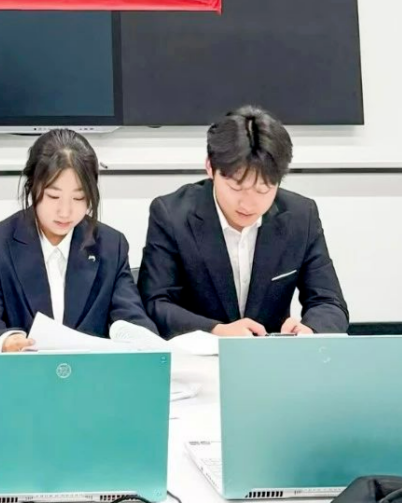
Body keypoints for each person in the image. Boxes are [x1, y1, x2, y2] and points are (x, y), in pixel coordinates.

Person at [138, 105, 349, 338]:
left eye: (263, 189)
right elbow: (156, 303)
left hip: (269, 354)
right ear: (210, 168)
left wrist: (310, 329)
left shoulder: (300, 216)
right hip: (199, 353)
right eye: (236, 187)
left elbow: (329, 302)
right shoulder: (172, 214)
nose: (248, 204)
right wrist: (217, 331)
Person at [0, 128, 156, 352]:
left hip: (90, 371)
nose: (65, 211)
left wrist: (144, 342)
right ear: (32, 186)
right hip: (25, 369)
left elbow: (132, 317)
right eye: (53, 196)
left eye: (79, 198)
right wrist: (6, 341)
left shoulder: (111, 245)